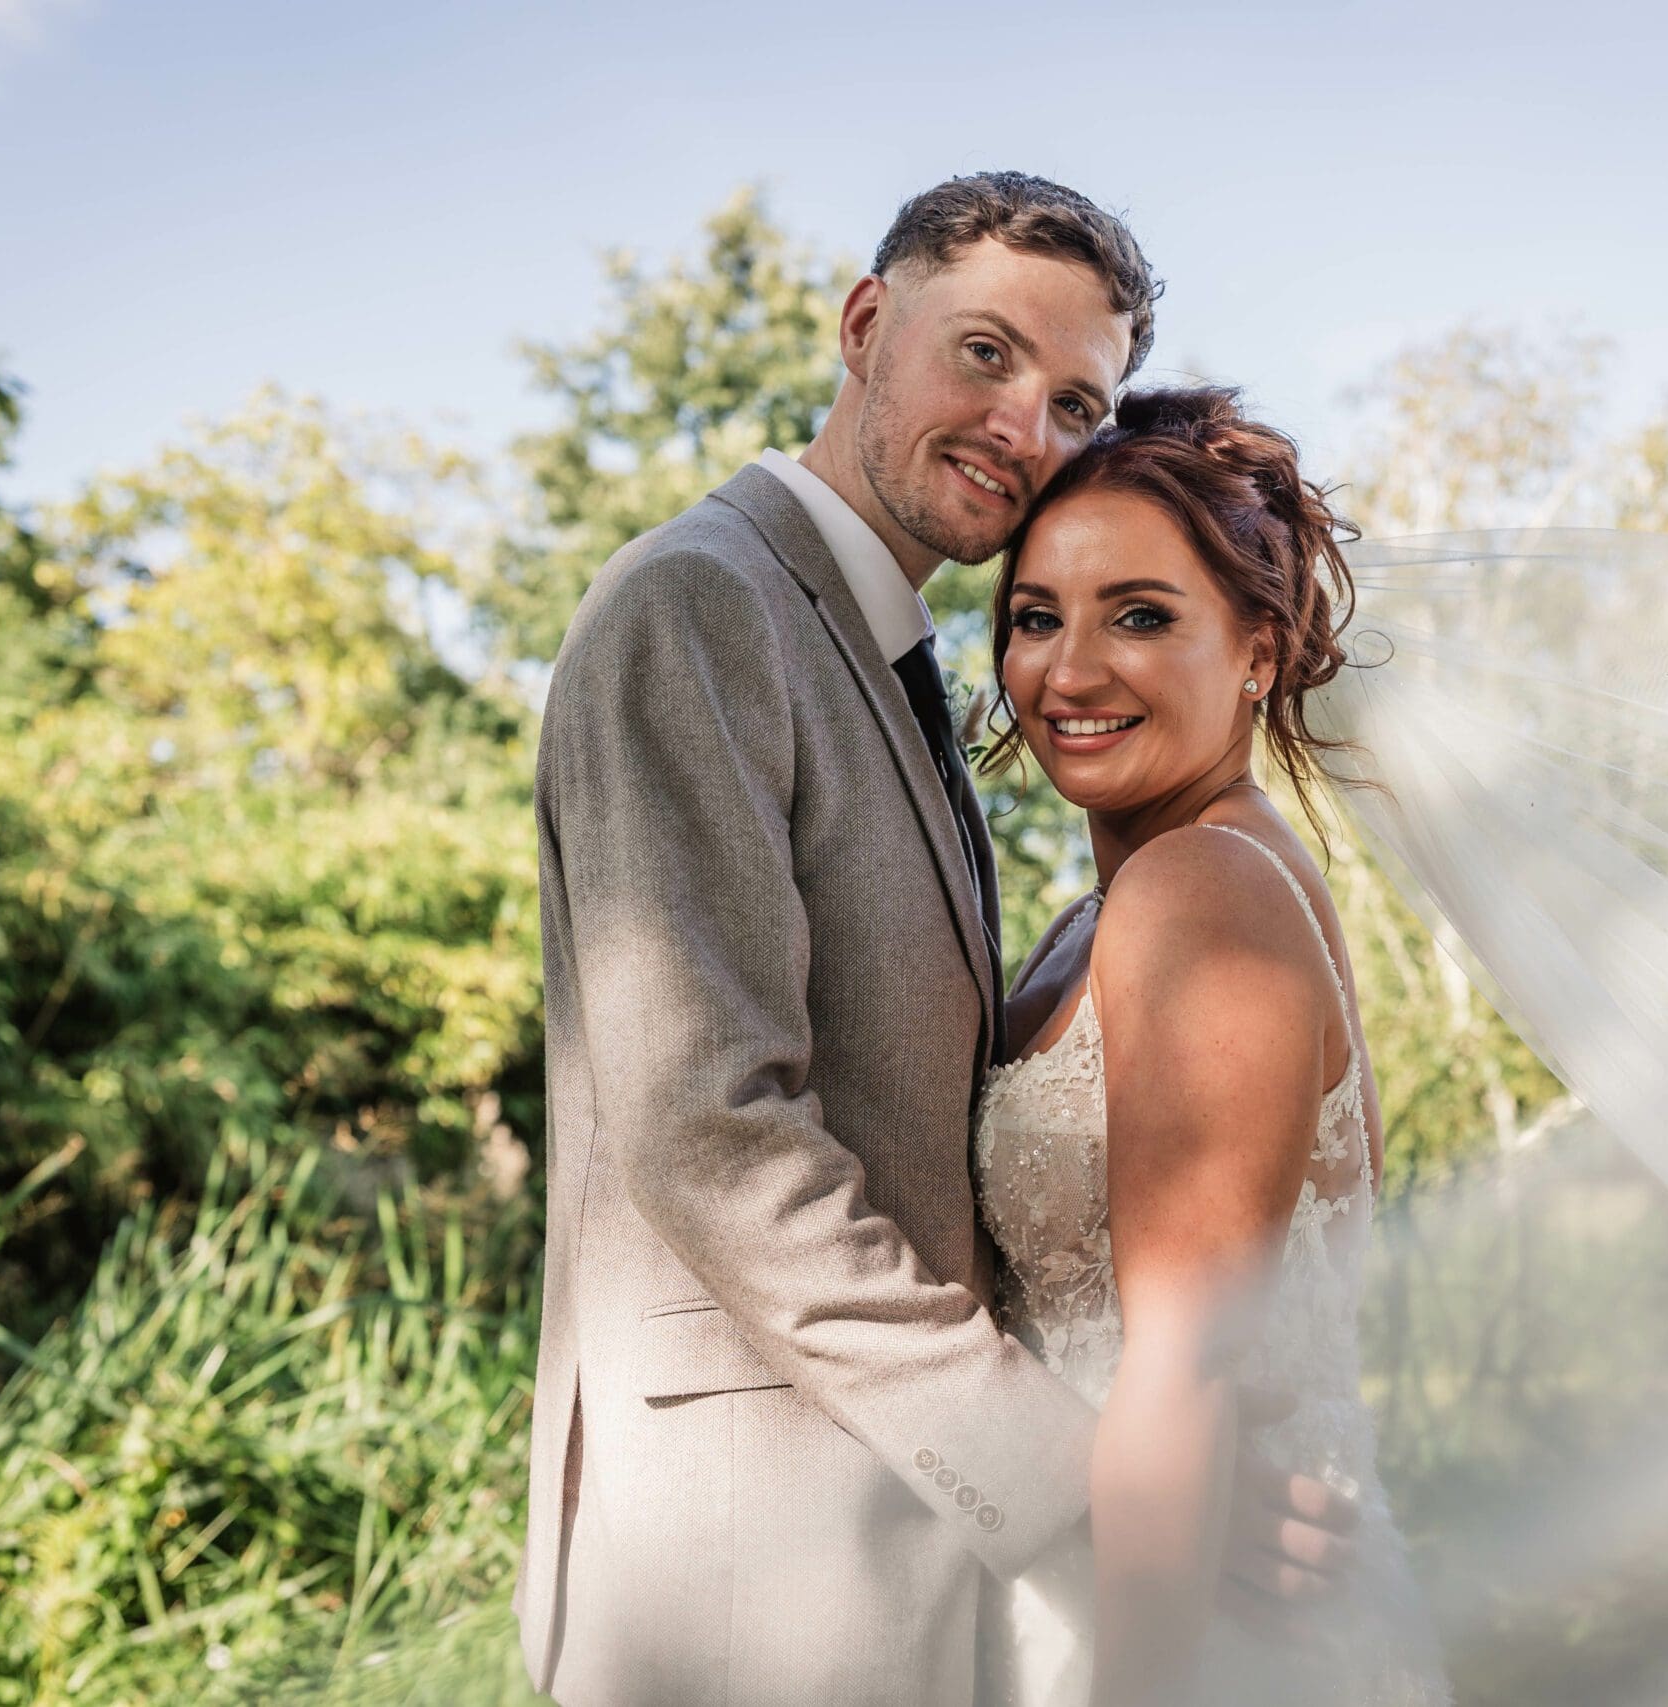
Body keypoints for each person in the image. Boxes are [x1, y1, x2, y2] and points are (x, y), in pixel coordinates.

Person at [516, 172, 1358, 1707]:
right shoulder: (703, 604)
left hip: (922, 1563)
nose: (1023, 427)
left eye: (1071, 398)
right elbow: (710, 1129)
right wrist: (1085, 1475)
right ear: (863, 326)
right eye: (985, 353)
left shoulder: (896, 668)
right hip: (744, 1563)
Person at [973, 385, 1449, 1706]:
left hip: (1193, 1640)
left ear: (1259, 649)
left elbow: (1175, 1380)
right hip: (1121, 1575)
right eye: (1034, 617)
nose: (1069, 671)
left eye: (1140, 615)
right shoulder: (1105, 916)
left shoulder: (1204, 894)